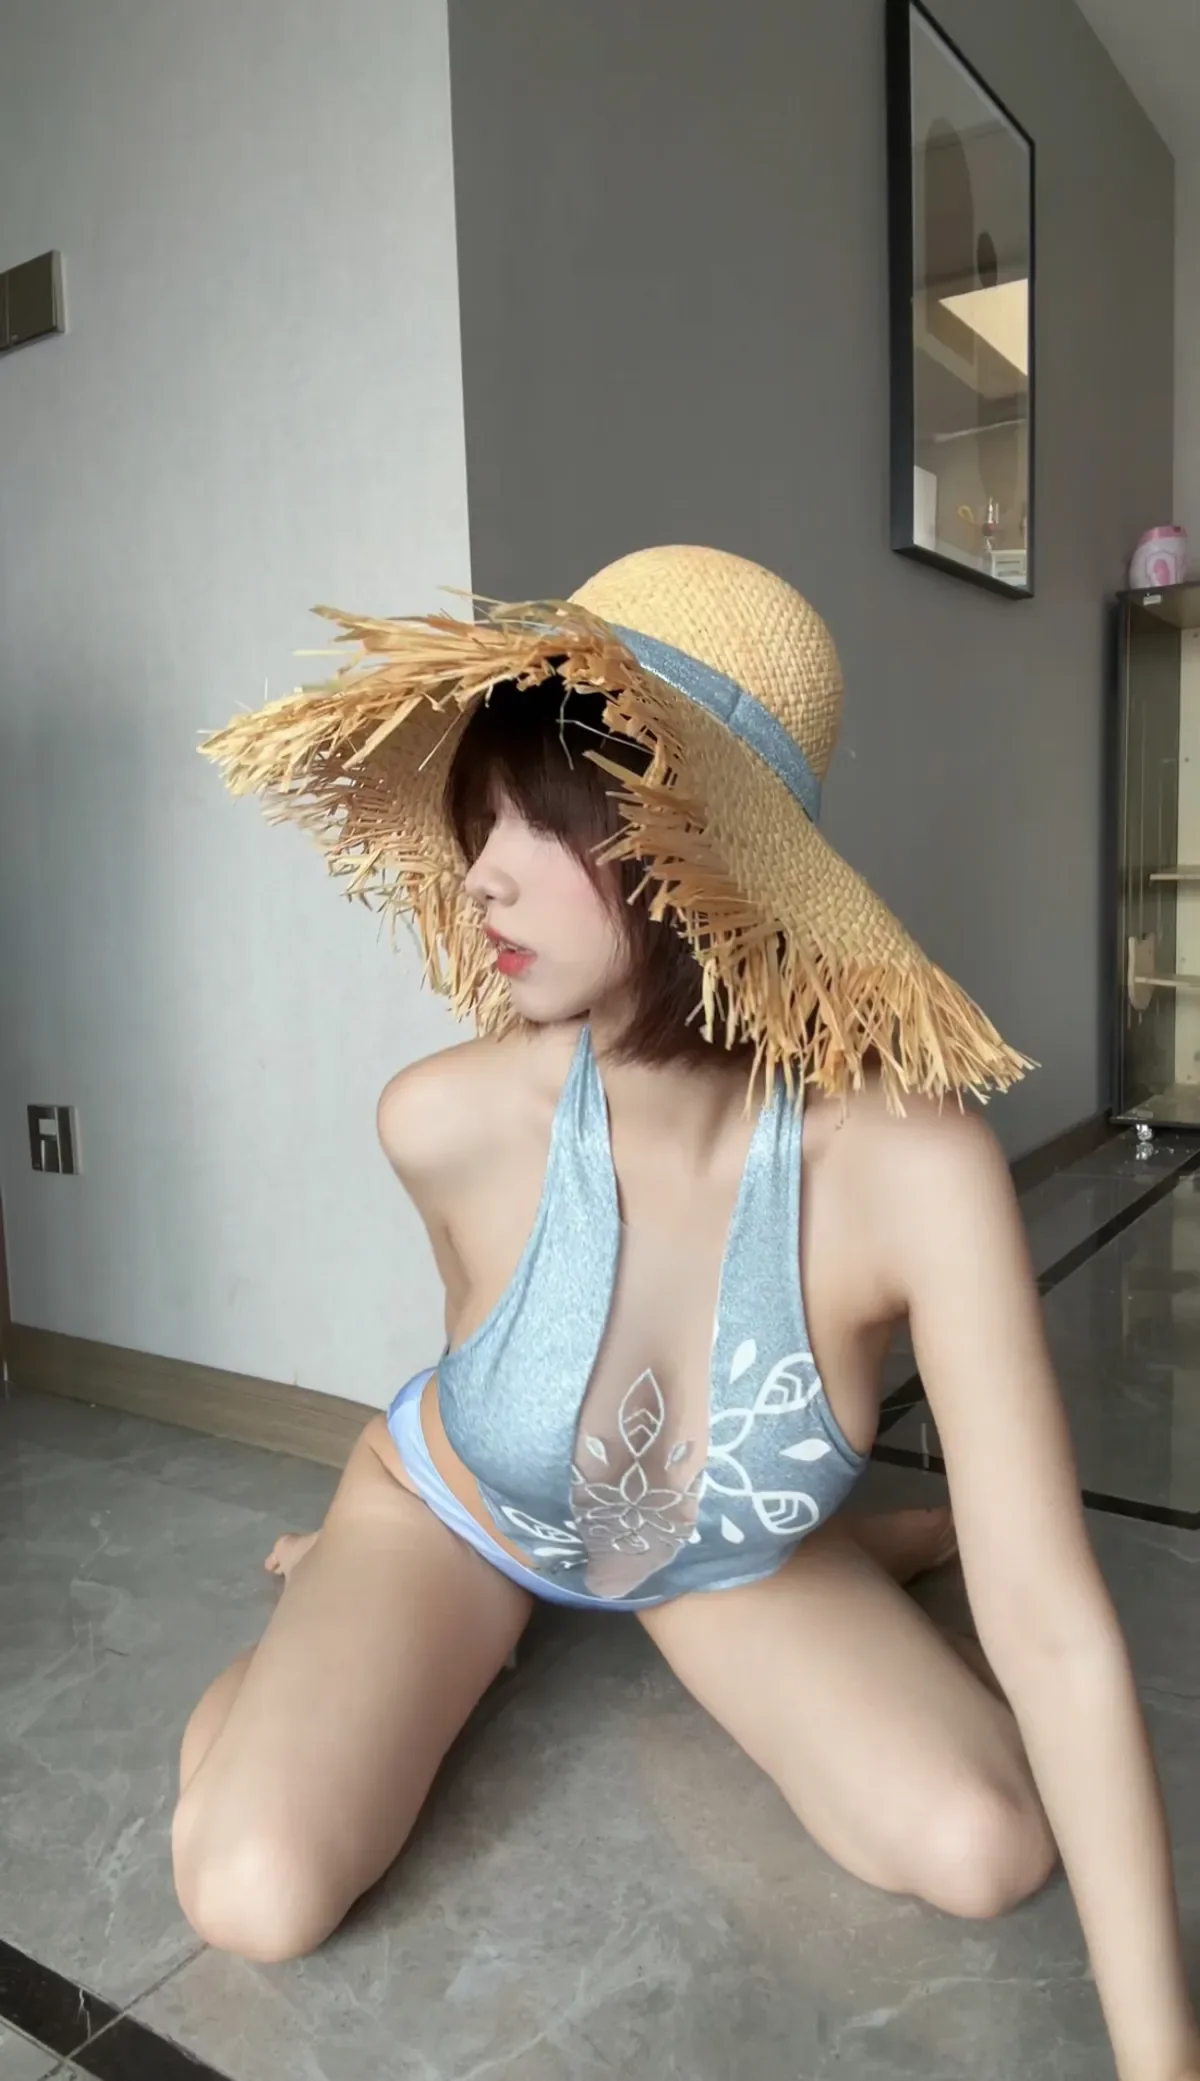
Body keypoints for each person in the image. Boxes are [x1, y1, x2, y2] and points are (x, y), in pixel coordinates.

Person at [182, 546, 1198, 2080]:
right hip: (468, 1516)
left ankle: (836, 1549)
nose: (482, 875)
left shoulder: (912, 1167)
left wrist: (1163, 2064)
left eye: (543, 823)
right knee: (251, 1894)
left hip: (710, 1547)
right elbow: (489, 1375)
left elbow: (1052, 1631)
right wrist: (377, 1596)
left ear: (697, 849)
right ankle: (362, 1606)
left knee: (986, 1846)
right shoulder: (444, 1120)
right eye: (479, 823)